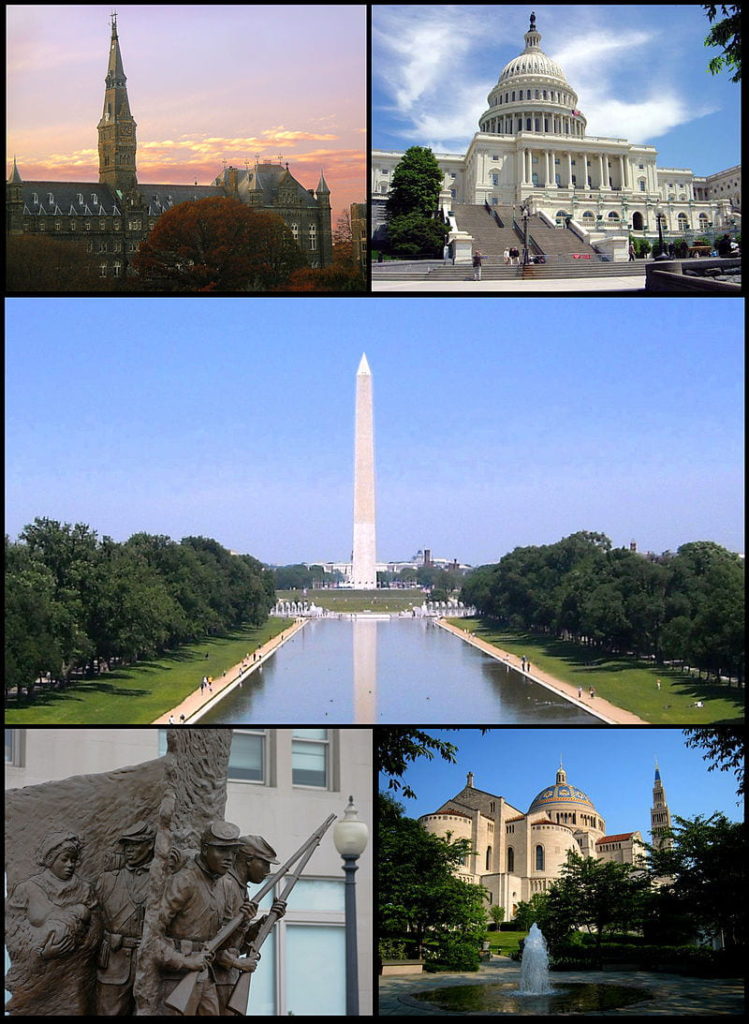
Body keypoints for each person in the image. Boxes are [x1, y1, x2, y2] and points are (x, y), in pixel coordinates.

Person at [156, 822, 255, 1016]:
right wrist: (185, 962)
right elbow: (151, 936)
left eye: (233, 853)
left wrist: (243, 923)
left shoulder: (224, 885)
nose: (229, 858)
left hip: (205, 975)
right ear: (204, 849)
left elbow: (224, 943)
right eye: (222, 851)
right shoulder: (185, 880)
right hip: (178, 977)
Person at [217, 836, 286, 1013]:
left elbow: (238, 945)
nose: (268, 871)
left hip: (227, 976)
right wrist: (238, 964)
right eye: (265, 864)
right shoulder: (226, 885)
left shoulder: (241, 889)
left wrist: (268, 919)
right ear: (248, 861)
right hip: (216, 979)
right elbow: (212, 942)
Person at [95, 821, 155, 1016]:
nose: (129, 850)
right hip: (113, 962)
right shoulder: (107, 880)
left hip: (147, 963)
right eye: (126, 846)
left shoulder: (160, 879)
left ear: (150, 846)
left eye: (136, 845)